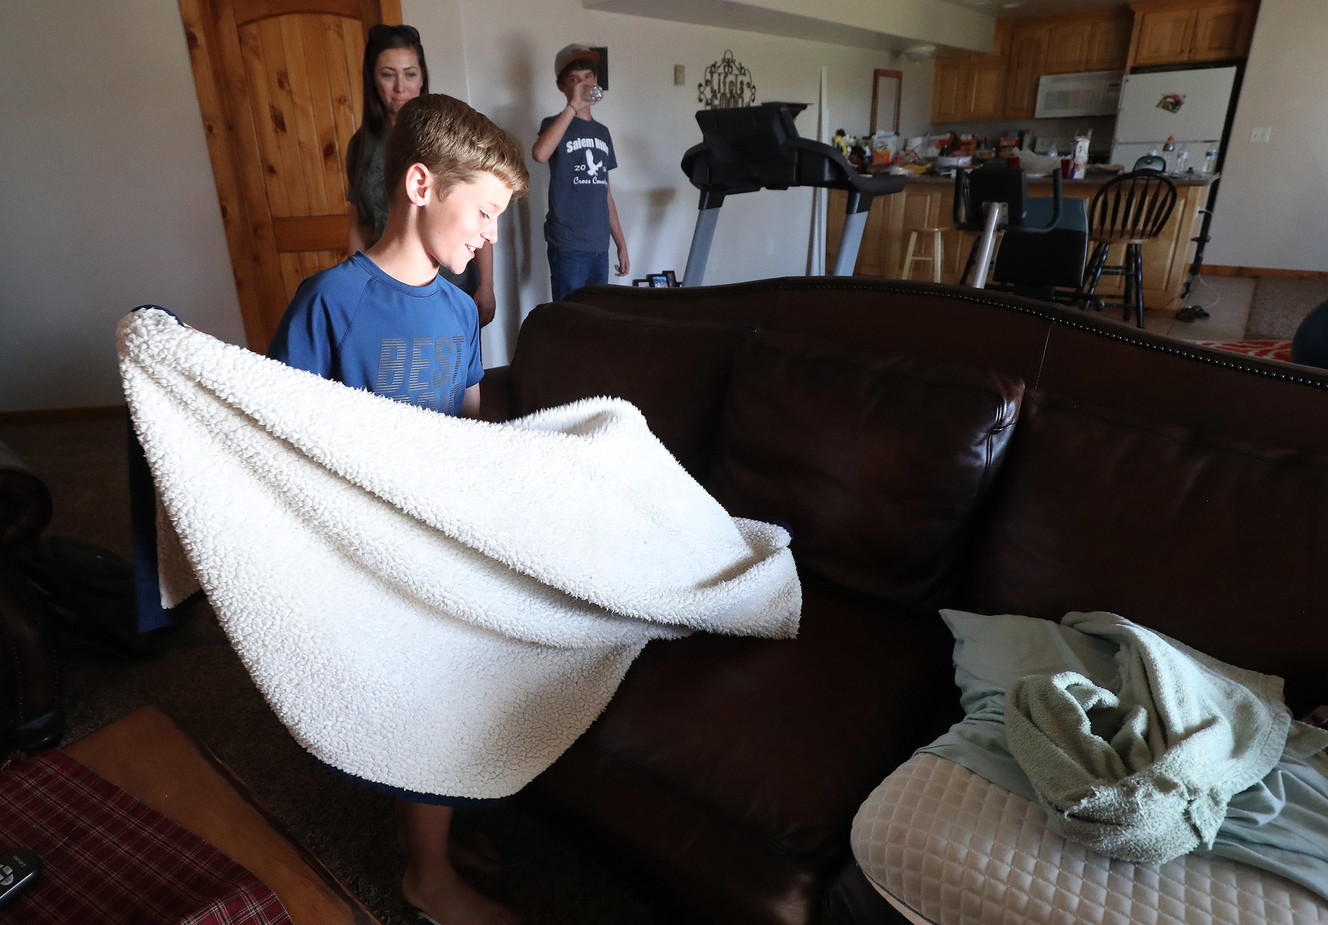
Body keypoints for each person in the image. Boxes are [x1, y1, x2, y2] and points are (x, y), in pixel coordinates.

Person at [269, 93, 528, 925]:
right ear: (422, 184)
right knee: (440, 660)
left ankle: (444, 821)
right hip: (362, 549)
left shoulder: (460, 311)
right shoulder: (328, 303)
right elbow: (284, 444)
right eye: (484, 211)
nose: (490, 233)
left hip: (439, 535)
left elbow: (471, 431)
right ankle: (428, 877)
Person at [347, 24, 498, 326]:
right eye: (388, 75)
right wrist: (352, 287)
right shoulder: (360, 145)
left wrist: (487, 284)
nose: (400, 86)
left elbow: (481, 214)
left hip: (452, 287)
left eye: (410, 73)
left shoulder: (449, 136)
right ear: (373, 79)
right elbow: (359, 224)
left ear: (422, 77)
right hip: (386, 290)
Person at [531, 43, 629, 301]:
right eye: (575, 80)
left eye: (588, 77)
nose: (584, 84)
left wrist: (620, 243)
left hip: (599, 245)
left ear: (596, 80)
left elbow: (605, 193)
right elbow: (540, 154)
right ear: (562, 86)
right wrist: (573, 107)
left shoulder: (602, 133)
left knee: (598, 318)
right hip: (568, 244)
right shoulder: (554, 125)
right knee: (568, 319)